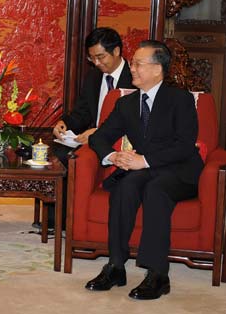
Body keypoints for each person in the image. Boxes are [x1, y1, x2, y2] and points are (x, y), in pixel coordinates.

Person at [86, 40, 203, 300]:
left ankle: (158, 273)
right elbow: (99, 137)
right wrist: (113, 155)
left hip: (181, 171)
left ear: (157, 69)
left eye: (138, 63)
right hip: (146, 169)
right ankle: (116, 266)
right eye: (133, 63)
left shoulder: (179, 99)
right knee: (125, 187)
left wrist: (144, 160)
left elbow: (184, 145)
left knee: (155, 189)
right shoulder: (126, 103)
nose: (133, 68)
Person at [46, 27, 134, 231]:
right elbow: (83, 112)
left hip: (120, 140)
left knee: (73, 158)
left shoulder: (134, 77)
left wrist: (98, 133)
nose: (97, 63)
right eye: (92, 58)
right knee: (56, 153)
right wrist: (65, 123)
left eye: (101, 57)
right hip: (90, 137)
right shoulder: (94, 77)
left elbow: (133, 119)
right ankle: (58, 219)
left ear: (117, 51)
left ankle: (72, 218)